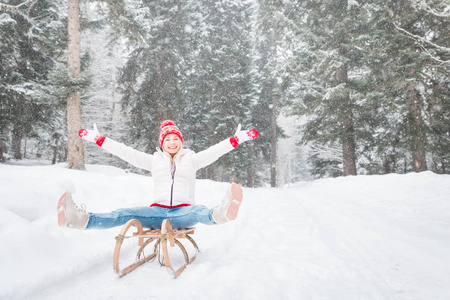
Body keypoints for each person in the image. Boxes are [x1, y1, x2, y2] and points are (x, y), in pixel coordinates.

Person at [57, 120, 258, 230]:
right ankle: (81, 220)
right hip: (157, 213)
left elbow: (215, 151)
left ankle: (222, 212)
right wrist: (100, 139)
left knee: (199, 211)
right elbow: (125, 152)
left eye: (175, 139)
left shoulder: (192, 159)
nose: (172, 142)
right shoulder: (154, 161)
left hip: (183, 213)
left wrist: (236, 139)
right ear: (162, 143)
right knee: (123, 214)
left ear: (181, 141)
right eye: (168, 139)